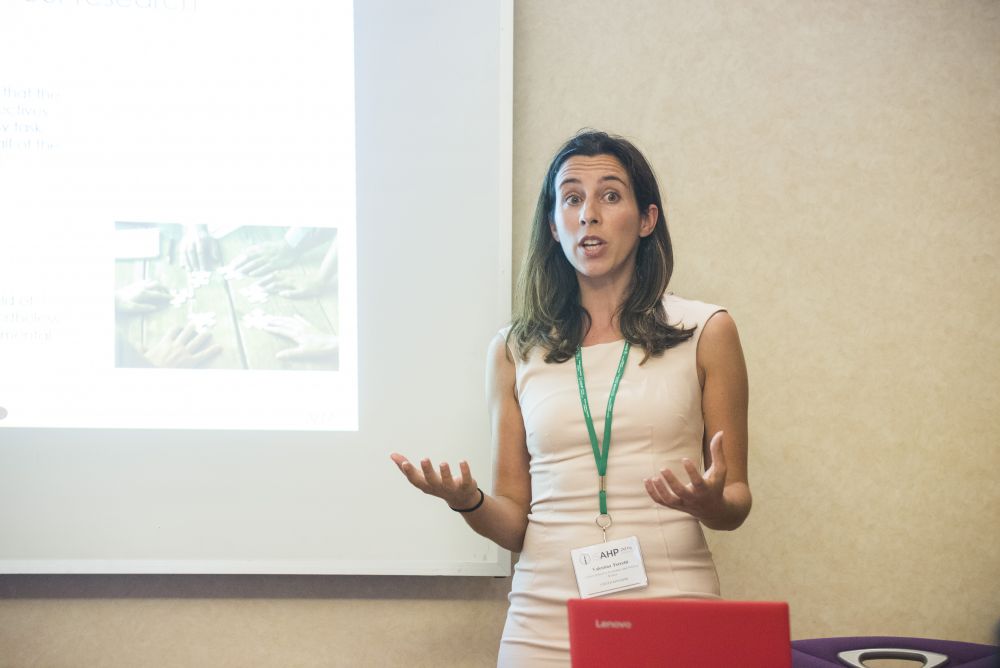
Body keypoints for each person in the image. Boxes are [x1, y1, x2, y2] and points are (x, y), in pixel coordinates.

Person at [390, 130, 751, 666]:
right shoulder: (515, 349)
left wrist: (710, 502)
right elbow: (515, 523)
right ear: (554, 226)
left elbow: (736, 500)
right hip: (545, 619)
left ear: (646, 219)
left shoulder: (706, 330)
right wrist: (468, 501)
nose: (589, 215)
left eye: (610, 195)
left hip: (673, 604)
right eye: (572, 198)